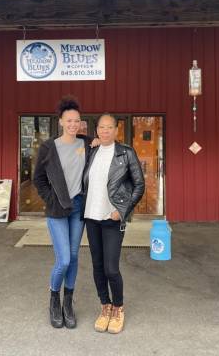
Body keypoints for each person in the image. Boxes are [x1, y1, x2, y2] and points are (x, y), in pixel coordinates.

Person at [33, 95, 95, 329]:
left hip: (78, 207)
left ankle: (68, 302)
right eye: (69, 121)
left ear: (80, 122)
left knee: (75, 256)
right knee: (64, 260)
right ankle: (54, 299)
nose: (73, 124)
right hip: (57, 210)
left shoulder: (87, 143)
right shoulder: (49, 147)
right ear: (60, 121)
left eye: (76, 121)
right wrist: (51, 198)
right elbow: (39, 179)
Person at [83, 113, 145, 334]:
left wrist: (123, 210)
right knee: (97, 266)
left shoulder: (126, 153)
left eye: (109, 127)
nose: (105, 131)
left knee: (111, 268)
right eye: (101, 127)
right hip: (91, 216)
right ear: (96, 130)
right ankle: (105, 306)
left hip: (112, 219)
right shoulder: (92, 151)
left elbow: (139, 185)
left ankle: (118, 307)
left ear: (116, 130)